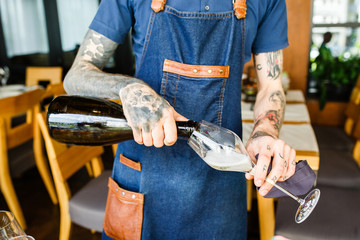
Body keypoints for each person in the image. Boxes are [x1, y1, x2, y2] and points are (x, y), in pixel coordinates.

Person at [64, 0, 296, 239]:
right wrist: (128, 88)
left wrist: (265, 131)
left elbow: (271, 86)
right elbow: (76, 76)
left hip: (221, 178)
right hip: (145, 177)